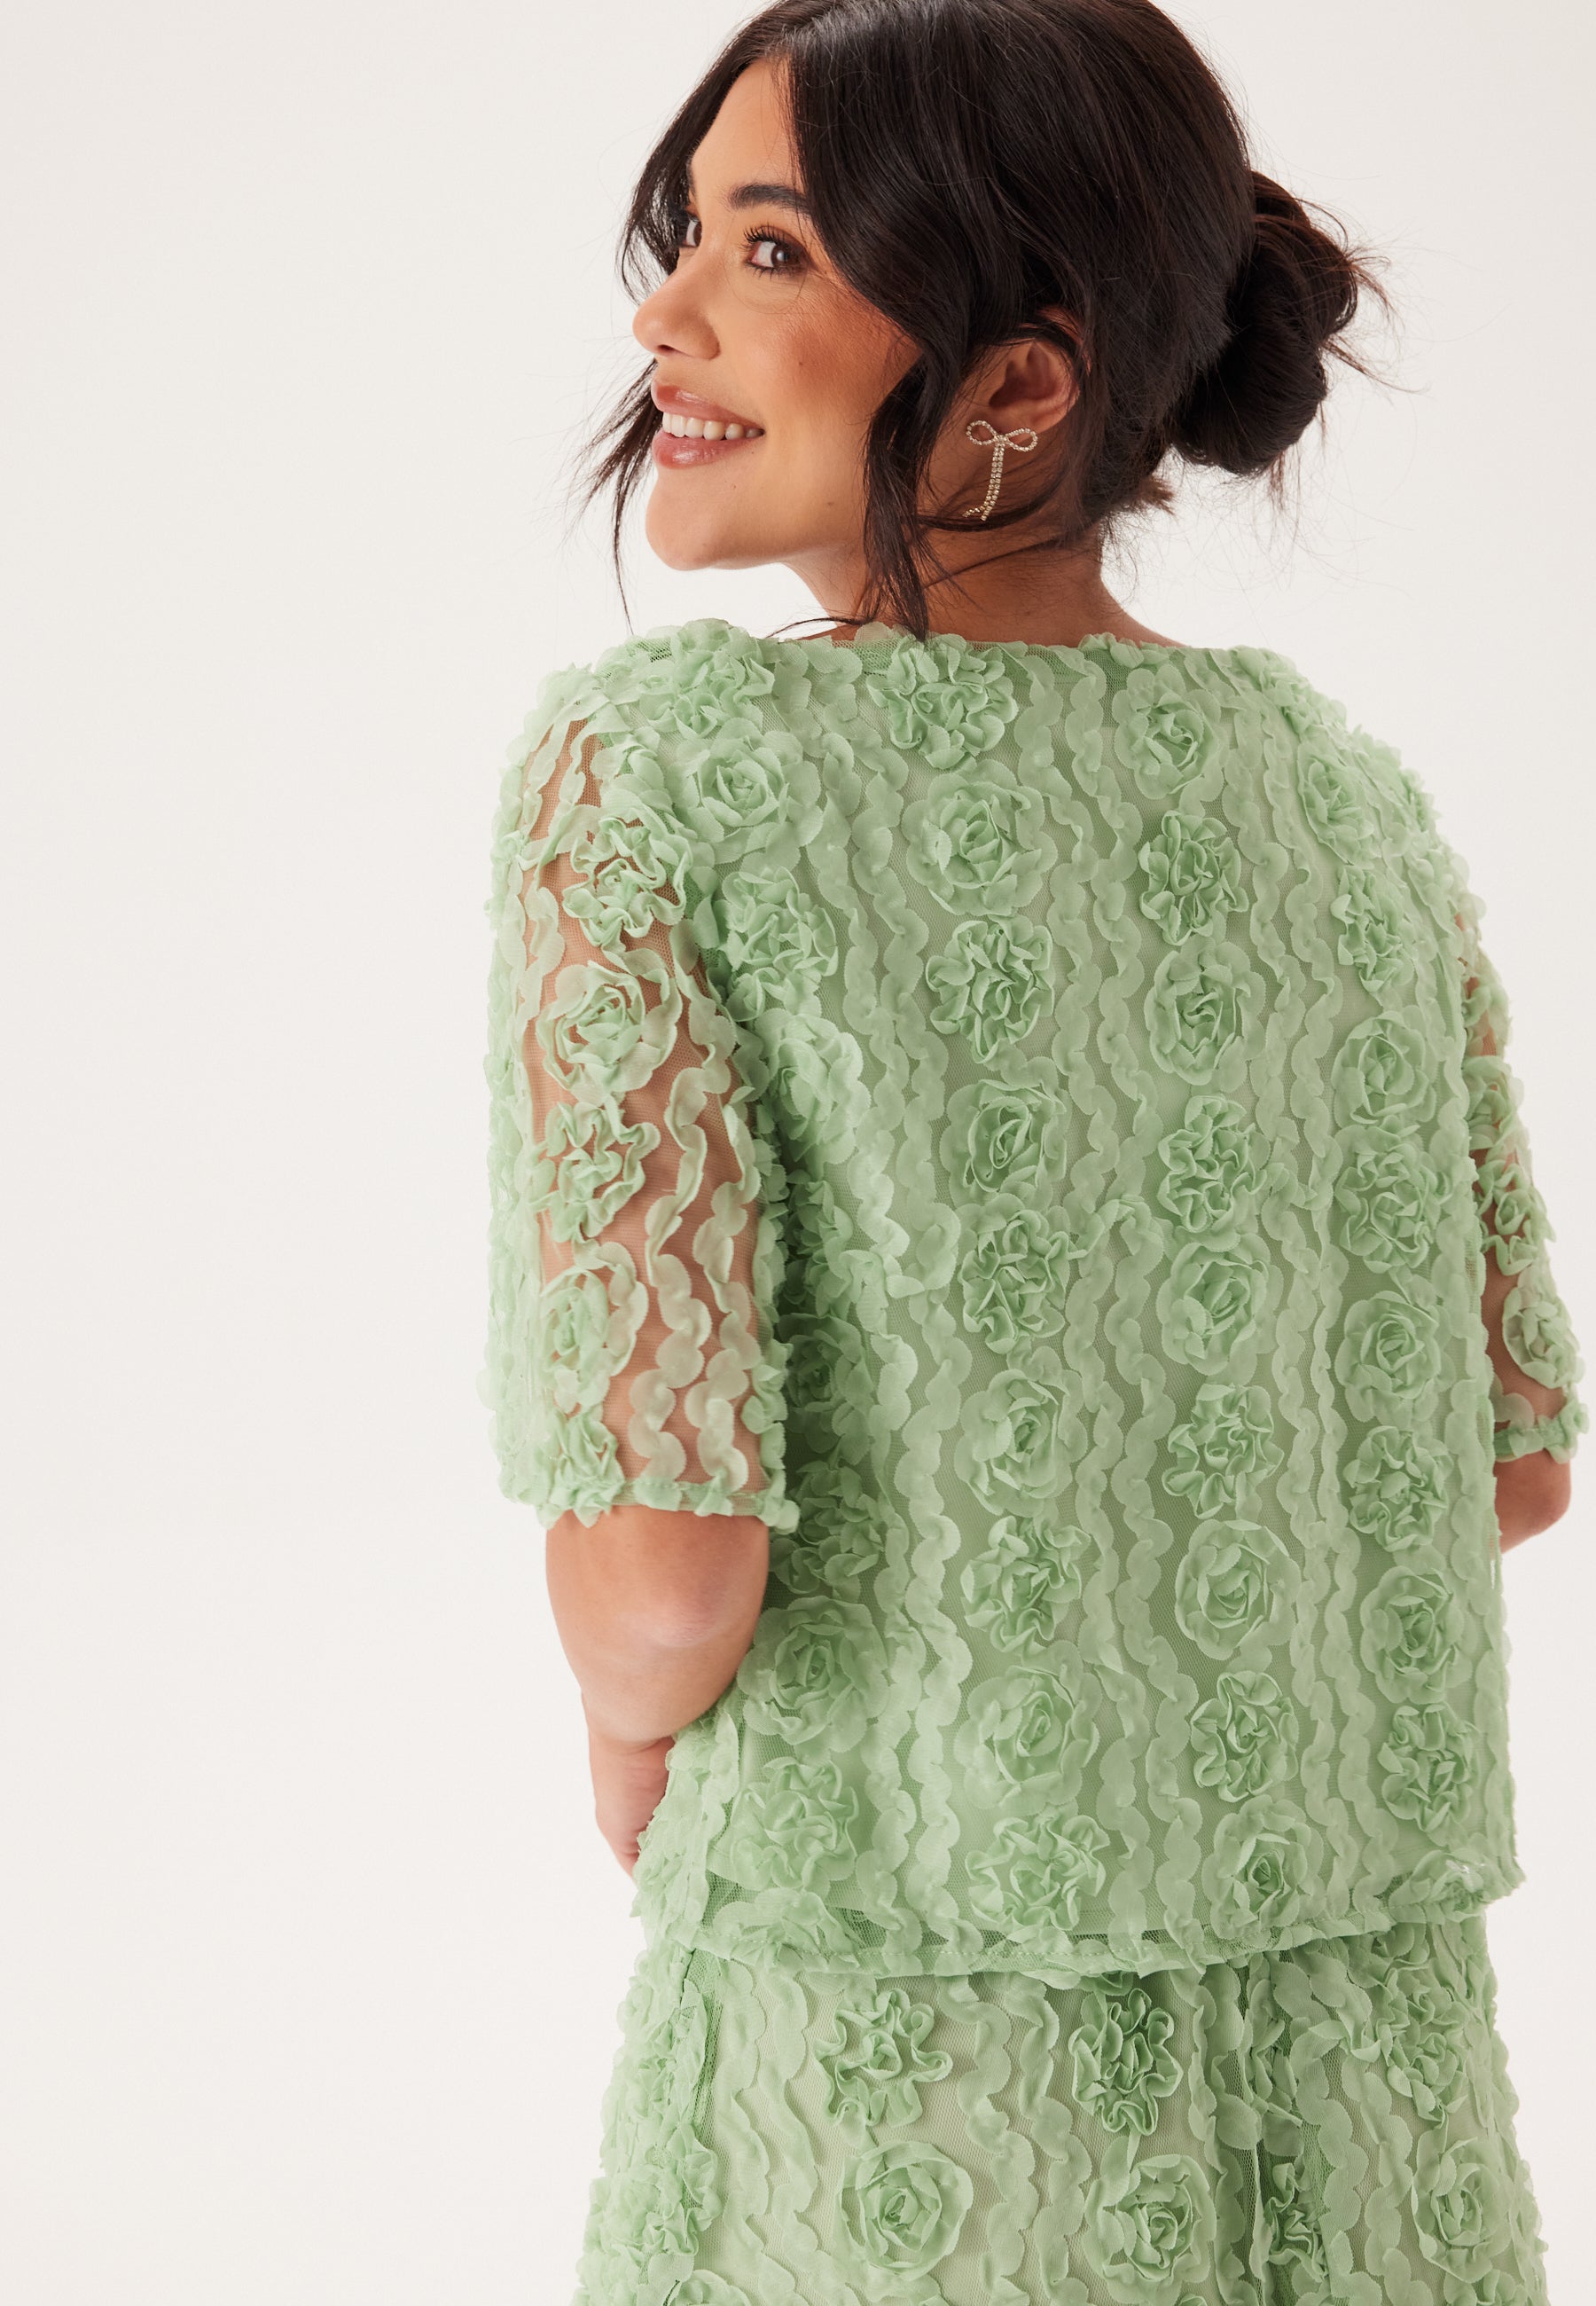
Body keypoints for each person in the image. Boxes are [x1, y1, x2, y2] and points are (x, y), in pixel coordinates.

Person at [481, 2, 1586, 2298]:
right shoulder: (1344, 799)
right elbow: (1506, 1461)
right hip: (1362, 2058)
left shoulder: (659, 779)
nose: (665, 318)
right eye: (688, 237)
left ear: (1018, 381)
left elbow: (668, 1567)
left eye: (770, 249)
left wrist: (628, 1741)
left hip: (914, 2024)